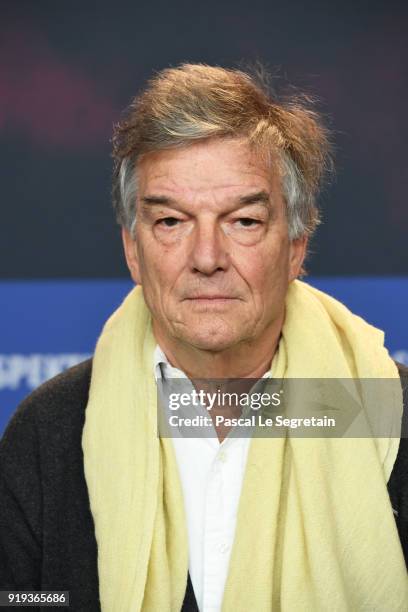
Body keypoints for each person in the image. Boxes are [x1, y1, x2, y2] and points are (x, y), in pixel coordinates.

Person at [0, 63, 407, 611]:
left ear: (295, 245)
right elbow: (24, 599)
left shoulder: (385, 413)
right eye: (171, 222)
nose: (208, 258)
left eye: (243, 221)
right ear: (132, 249)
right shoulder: (51, 430)